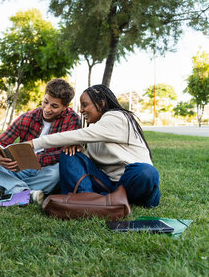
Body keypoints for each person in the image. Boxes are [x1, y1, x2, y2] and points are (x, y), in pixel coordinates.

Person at [29, 84, 160, 207]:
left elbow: (75, 135)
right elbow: (96, 167)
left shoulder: (117, 117)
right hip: (109, 184)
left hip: (134, 183)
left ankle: (97, 200)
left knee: (146, 171)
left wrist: (33, 143)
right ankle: (89, 199)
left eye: (85, 105)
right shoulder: (96, 129)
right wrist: (82, 154)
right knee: (70, 154)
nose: (81, 110)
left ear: (101, 104)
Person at [0, 78, 81, 203]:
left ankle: (5, 186)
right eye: (45, 102)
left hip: (46, 170)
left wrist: (37, 159)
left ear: (65, 107)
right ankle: (22, 191)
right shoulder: (27, 117)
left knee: (57, 173)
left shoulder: (73, 119)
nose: (47, 109)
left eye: (54, 106)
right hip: (19, 168)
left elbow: (66, 153)